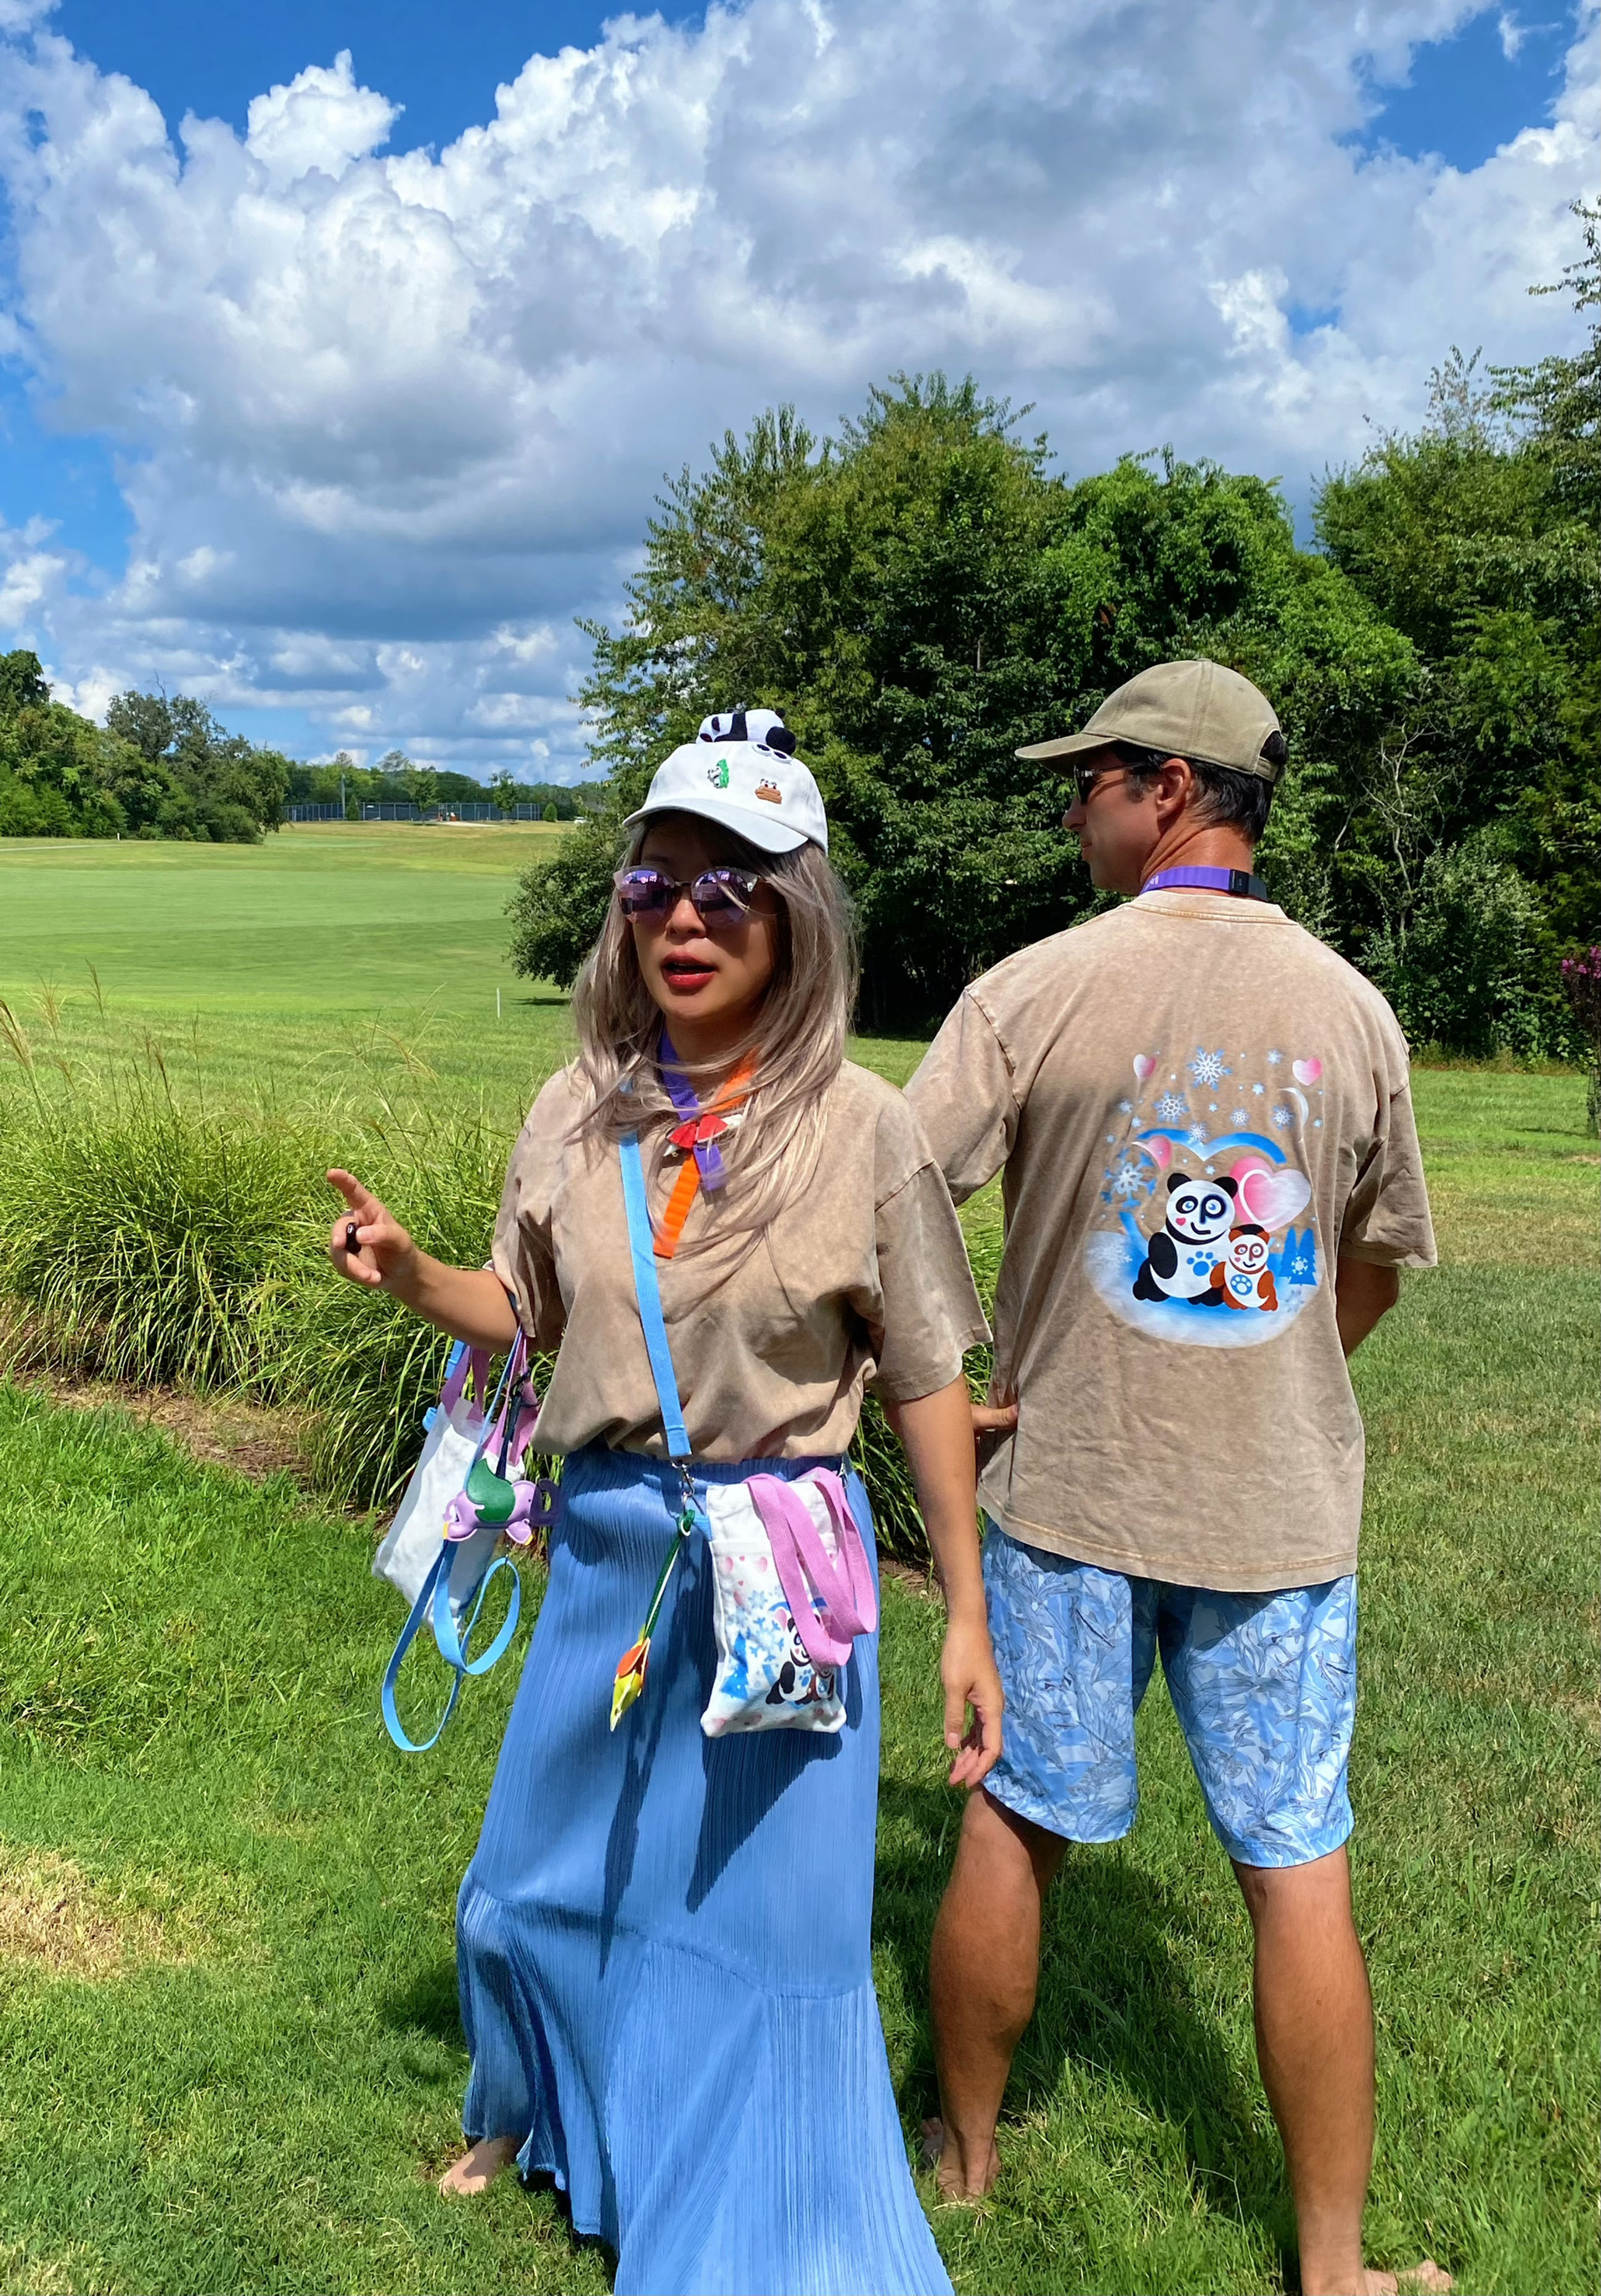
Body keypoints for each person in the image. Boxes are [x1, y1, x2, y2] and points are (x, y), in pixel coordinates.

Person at [326, 708, 1003, 2296]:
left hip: (783, 1574)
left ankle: (756, 2205)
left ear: (798, 916)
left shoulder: (866, 1129)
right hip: (610, 1553)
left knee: (768, 1930)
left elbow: (922, 1384)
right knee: (538, 1875)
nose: (686, 917)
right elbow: (534, 1312)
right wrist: (415, 1273)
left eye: (733, 886)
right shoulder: (576, 1109)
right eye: (657, 883)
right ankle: (548, 2109)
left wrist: (966, 1613)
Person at [904, 661, 1450, 2296]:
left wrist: (957, 1378)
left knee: (1012, 1830)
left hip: (1070, 1493)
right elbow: (1372, 1272)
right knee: (1297, 1865)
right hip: (1279, 1516)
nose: (1073, 809)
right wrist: (1272, 1378)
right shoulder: (1354, 1012)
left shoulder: (1034, 992)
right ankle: (1337, 2269)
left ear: (1166, 789)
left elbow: (894, 1196)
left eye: (1089, 782)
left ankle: (968, 2164)